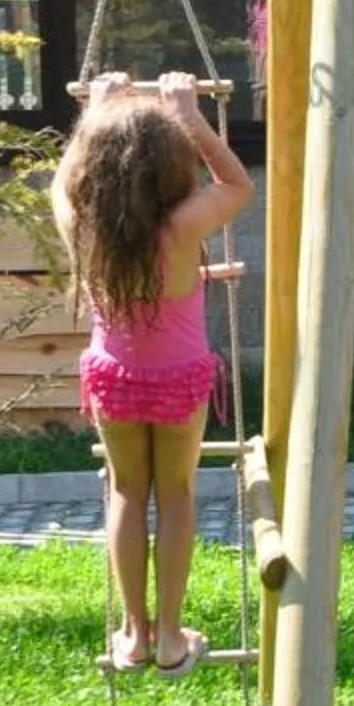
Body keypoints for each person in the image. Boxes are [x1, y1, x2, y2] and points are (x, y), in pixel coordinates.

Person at [52, 71, 256, 675]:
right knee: (175, 493)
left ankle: (134, 634)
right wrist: (191, 118)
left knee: (125, 490)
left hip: (113, 378)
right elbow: (237, 183)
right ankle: (169, 636)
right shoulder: (183, 226)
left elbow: (62, 182)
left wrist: (97, 113)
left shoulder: (85, 226)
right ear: (172, 167)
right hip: (179, 380)